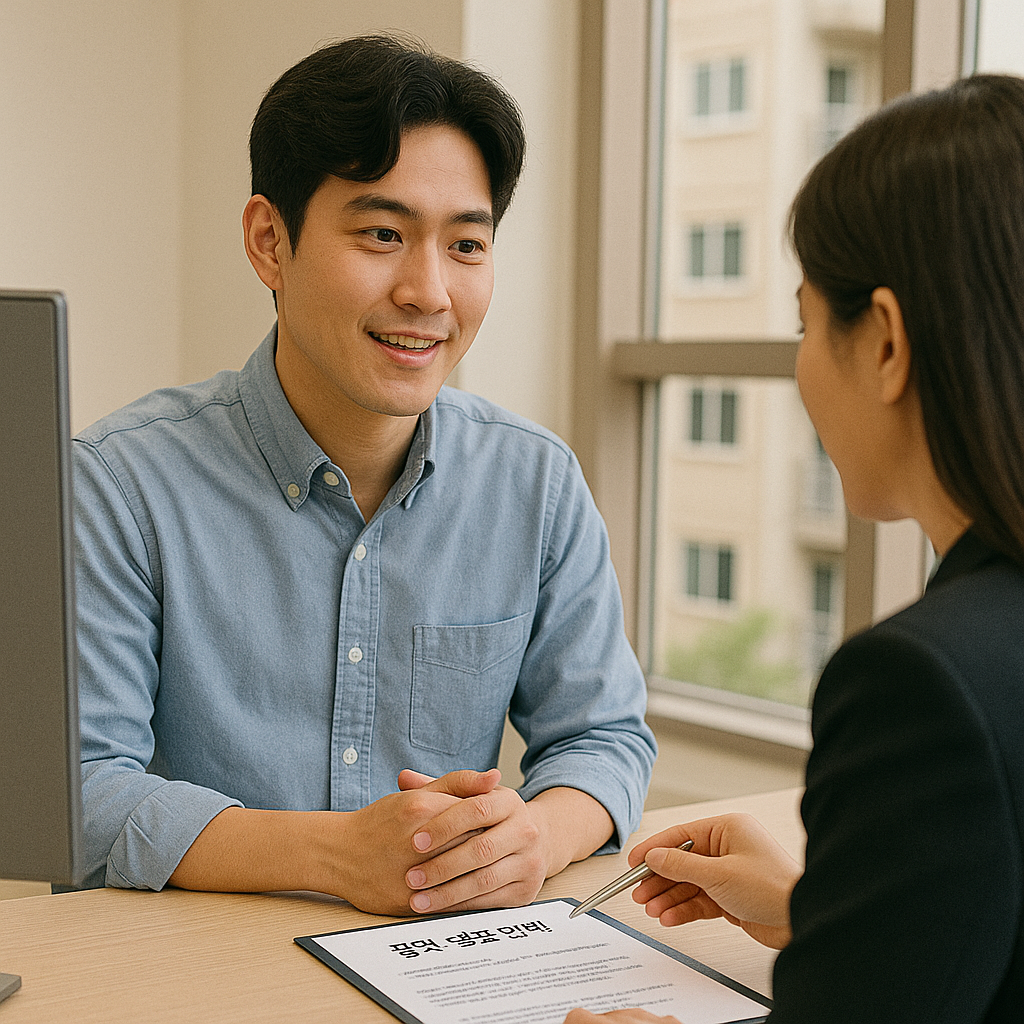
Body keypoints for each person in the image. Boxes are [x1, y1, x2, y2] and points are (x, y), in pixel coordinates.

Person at [72, 34, 656, 917]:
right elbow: (78, 789)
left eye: (466, 245)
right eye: (383, 234)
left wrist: (534, 838)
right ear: (270, 242)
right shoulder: (119, 487)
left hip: (444, 971)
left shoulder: (534, 482)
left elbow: (604, 737)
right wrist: (339, 854)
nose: (428, 292)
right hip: (194, 975)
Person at [565, 73, 1024, 1024]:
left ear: (887, 344)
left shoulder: (924, 684)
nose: (802, 365)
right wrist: (828, 909)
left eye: (807, 322)